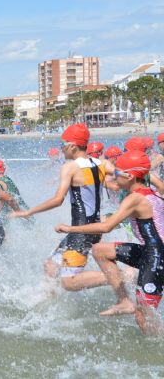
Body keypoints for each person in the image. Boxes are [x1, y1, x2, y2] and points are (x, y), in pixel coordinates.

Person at [55, 150, 164, 335]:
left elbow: (106, 227)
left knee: (143, 315)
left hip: (157, 258)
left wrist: (69, 228)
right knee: (100, 250)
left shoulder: (135, 198)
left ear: (130, 176)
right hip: (149, 251)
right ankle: (124, 300)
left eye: (117, 173)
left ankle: (156, 347)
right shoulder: (150, 192)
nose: (114, 177)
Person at [10, 123, 108, 291]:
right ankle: (47, 303)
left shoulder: (70, 167)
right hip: (88, 227)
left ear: (72, 146)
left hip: (81, 230)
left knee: (69, 282)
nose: (61, 149)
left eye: (62, 145)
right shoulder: (97, 163)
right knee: (50, 265)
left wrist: (28, 211)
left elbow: (58, 200)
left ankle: (121, 276)